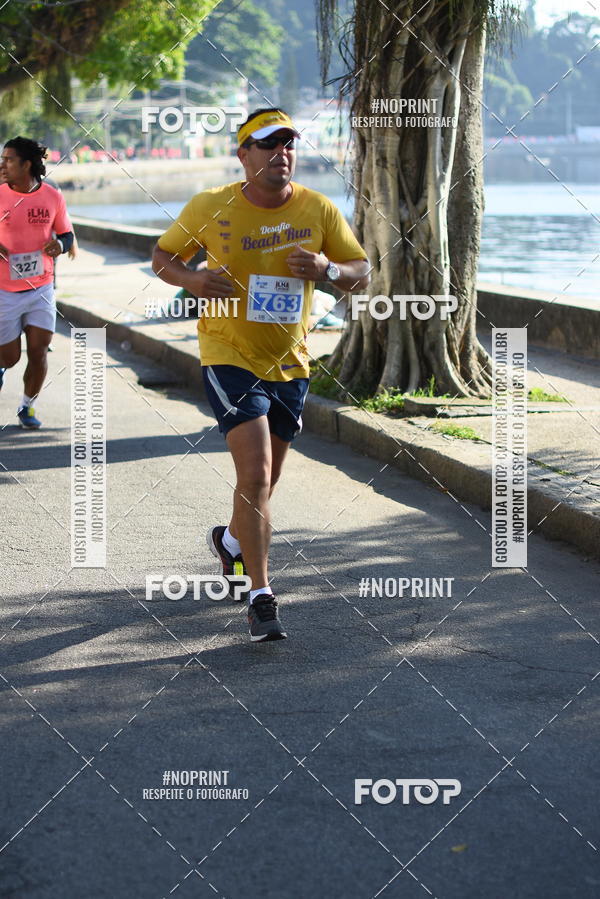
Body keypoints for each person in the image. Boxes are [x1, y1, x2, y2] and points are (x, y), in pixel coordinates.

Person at [152, 108, 369, 642]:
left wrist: (328, 271)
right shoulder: (210, 205)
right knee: (254, 474)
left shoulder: (317, 209)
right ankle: (260, 595)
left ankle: (229, 543)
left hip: (290, 363)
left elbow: (360, 272)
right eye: (268, 144)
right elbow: (160, 257)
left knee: (264, 483)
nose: (281, 154)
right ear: (243, 153)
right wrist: (194, 280)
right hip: (227, 353)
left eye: (288, 144)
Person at [0, 137, 74, 428]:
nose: (2, 164)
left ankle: (26, 407)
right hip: (4, 290)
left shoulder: (53, 197)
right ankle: (3, 367)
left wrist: (61, 245)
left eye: (8, 159)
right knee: (9, 357)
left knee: (39, 350)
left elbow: (67, 234)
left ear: (26, 164)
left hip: (41, 287)